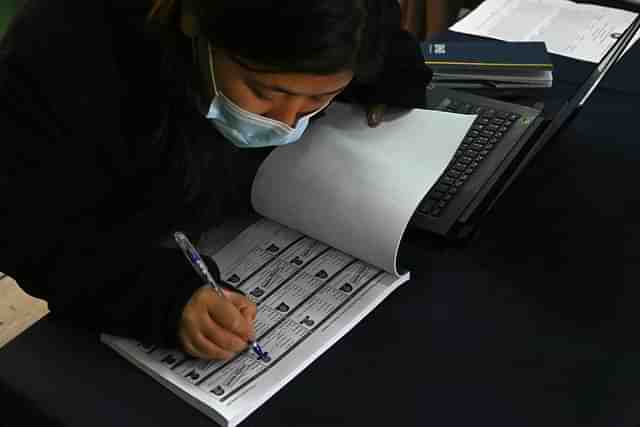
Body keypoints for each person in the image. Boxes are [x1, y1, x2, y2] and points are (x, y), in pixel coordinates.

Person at [0, 0, 432, 360]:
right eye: (265, 91)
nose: (284, 122)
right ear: (194, 20)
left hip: (235, 210)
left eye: (318, 99)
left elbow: (378, 48)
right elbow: (31, 233)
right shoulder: (63, 49)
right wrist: (161, 300)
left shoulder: (352, 18)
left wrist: (391, 81)